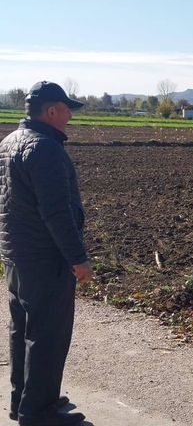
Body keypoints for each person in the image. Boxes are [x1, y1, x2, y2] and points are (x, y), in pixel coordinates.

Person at [0, 81, 93, 426]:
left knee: (23, 330)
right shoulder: (45, 149)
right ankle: (39, 414)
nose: (70, 115)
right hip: (45, 259)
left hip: (16, 255)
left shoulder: (9, 142)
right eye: (67, 108)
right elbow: (56, 212)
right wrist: (77, 259)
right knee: (48, 336)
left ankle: (23, 402)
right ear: (51, 111)